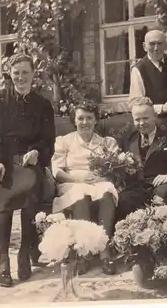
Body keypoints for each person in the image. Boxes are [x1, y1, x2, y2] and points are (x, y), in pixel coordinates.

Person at [0, 53, 56, 287]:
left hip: (28, 162)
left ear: (33, 74)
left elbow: (48, 139)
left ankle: (24, 252)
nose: (20, 77)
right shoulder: (0, 100)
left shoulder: (43, 104)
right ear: (9, 75)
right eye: (16, 73)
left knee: (31, 185)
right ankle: (3, 260)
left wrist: (37, 152)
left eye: (25, 72)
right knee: (2, 195)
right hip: (2, 161)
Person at [50, 100, 118, 275]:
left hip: (98, 182)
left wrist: (101, 177)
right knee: (80, 196)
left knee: (107, 192)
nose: (85, 122)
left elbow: (115, 169)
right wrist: (76, 179)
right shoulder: (64, 141)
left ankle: (104, 251)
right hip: (71, 183)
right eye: (80, 118)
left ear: (96, 120)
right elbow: (57, 171)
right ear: (74, 120)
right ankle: (84, 253)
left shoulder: (106, 143)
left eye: (89, 118)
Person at [115, 97, 167, 221]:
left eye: (145, 118)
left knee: (162, 195)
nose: (141, 123)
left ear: (155, 116)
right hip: (138, 187)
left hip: (163, 186)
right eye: (137, 119)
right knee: (123, 199)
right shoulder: (128, 139)